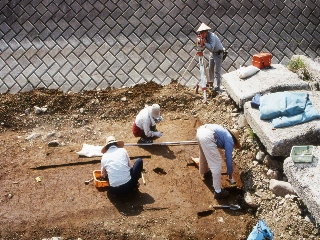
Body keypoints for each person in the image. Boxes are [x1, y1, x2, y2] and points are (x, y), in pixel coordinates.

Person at [196, 124, 241, 199]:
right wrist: (230, 173)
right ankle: (218, 192)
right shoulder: (230, 139)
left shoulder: (224, 132)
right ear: (235, 139)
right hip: (207, 136)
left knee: (203, 154)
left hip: (200, 131)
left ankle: (206, 172)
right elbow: (228, 158)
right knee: (217, 164)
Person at [196, 23, 224, 91]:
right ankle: (210, 83)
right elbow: (202, 47)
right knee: (210, 69)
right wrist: (199, 43)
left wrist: (204, 43)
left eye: (202, 33)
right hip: (212, 53)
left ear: (206, 32)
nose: (201, 34)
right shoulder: (204, 37)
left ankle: (218, 86)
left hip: (218, 53)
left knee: (217, 71)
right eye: (200, 33)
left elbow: (211, 47)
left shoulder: (212, 36)